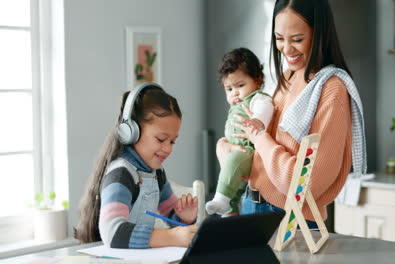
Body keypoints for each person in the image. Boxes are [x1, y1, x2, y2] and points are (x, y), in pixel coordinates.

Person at [217, 0, 366, 228]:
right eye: (279, 39)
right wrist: (224, 147)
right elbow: (262, 150)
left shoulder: (331, 90)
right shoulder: (289, 76)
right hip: (253, 204)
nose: (286, 49)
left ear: (319, 35)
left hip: (289, 221)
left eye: (297, 39)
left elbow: (304, 184)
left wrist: (259, 137)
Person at [75, 83, 198, 248]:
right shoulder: (121, 174)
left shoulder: (156, 173)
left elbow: (172, 218)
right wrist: (171, 236)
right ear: (131, 131)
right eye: (161, 139)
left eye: (172, 141)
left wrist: (184, 218)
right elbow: (112, 232)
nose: (168, 148)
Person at [205, 48, 274, 215]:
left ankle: (221, 199)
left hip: (249, 152)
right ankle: (228, 212)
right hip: (236, 155)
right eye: (229, 89)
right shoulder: (236, 105)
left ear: (258, 80)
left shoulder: (258, 98)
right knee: (231, 182)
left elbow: (265, 107)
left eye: (240, 85)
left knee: (234, 162)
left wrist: (256, 121)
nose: (234, 93)